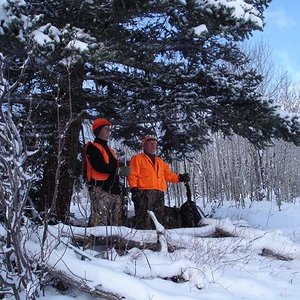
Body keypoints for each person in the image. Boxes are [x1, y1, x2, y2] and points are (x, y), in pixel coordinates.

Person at [128, 135, 190, 229]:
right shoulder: (137, 159)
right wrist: (134, 190)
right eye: (150, 144)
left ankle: (158, 240)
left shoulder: (160, 162)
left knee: (159, 219)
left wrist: (180, 178)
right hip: (144, 194)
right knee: (145, 218)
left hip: (159, 194)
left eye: (155, 144)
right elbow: (132, 175)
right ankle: (143, 240)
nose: (153, 146)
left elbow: (168, 175)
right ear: (144, 145)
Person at [85, 118, 130, 226]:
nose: (108, 131)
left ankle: (114, 242)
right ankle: (95, 242)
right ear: (98, 130)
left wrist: (124, 168)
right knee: (99, 222)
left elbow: (113, 166)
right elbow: (99, 166)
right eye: (106, 129)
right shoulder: (92, 147)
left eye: (109, 129)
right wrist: (119, 170)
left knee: (116, 223)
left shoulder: (110, 150)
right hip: (99, 188)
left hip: (113, 189)